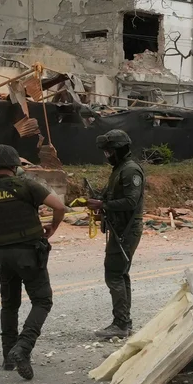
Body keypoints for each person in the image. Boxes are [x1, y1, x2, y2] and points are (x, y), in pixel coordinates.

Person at [0, 145, 66, 380]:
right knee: (42, 301)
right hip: (29, 254)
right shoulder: (27, 185)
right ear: (15, 166)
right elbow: (60, 207)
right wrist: (53, 227)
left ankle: (8, 358)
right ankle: (23, 347)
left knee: (9, 305)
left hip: (3, 257)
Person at [87, 129, 145, 339]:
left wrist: (103, 204)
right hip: (120, 228)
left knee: (114, 273)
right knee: (121, 274)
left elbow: (131, 201)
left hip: (126, 230)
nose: (107, 155)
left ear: (118, 150)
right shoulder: (120, 169)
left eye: (109, 151)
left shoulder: (130, 170)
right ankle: (125, 323)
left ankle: (120, 324)